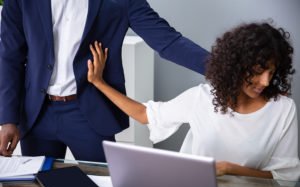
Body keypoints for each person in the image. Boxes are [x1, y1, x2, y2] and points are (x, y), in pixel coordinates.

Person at [87, 22, 300, 180]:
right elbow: (145, 114)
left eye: (271, 72)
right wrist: (99, 83)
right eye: (258, 72)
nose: (265, 81)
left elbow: (286, 176)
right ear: (237, 66)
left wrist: (228, 168)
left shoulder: (282, 109)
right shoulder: (203, 97)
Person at [0, 0, 209, 161]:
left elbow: (168, 41)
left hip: (88, 112)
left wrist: (223, 69)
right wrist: (8, 118)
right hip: (37, 113)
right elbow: (9, 56)